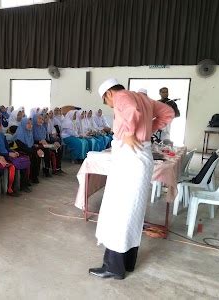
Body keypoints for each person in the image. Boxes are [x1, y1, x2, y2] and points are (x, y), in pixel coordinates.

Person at [89, 78, 174, 280]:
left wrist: (128, 133)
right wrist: (149, 129)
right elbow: (168, 113)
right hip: (141, 155)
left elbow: (130, 110)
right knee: (132, 212)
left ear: (108, 93)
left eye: (106, 101)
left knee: (118, 212)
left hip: (130, 156)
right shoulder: (143, 99)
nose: (110, 106)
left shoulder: (122, 96)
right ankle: (127, 263)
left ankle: (114, 268)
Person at [0, 118, 31, 194]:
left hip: (6, 155)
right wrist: (8, 154)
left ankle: (23, 185)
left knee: (23, 160)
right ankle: (10, 189)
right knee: (13, 166)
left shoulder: (1, 135)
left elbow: (7, 148)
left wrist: (13, 152)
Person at [14, 118, 44, 184]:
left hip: (27, 150)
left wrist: (37, 150)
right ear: (24, 124)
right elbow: (23, 147)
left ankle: (34, 176)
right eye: (28, 123)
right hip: (20, 152)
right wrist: (35, 151)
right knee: (33, 155)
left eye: (31, 124)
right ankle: (27, 179)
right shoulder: (20, 134)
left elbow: (31, 145)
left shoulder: (29, 133)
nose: (30, 125)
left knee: (37, 155)